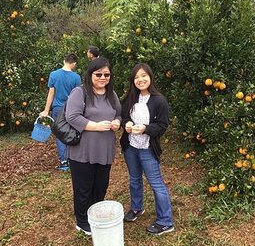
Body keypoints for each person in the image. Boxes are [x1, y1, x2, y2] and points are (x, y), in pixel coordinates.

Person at [65, 57, 121, 235]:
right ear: (90, 75)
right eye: (98, 74)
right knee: (83, 187)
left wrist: (117, 123)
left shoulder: (112, 95)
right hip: (83, 150)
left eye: (107, 74)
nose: (103, 77)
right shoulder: (80, 92)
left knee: (101, 185)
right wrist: (95, 126)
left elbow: (119, 114)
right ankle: (82, 221)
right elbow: (72, 116)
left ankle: (94, 213)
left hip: (104, 150)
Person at [120, 63, 174, 235]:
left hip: (147, 148)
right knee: (134, 179)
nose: (140, 79)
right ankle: (136, 208)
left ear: (150, 77)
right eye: (136, 77)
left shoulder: (159, 100)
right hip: (131, 146)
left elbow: (162, 125)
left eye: (143, 76)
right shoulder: (130, 98)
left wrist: (145, 128)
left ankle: (165, 221)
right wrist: (126, 123)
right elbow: (123, 116)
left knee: (156, 184)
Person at [40, 53, 81, 171]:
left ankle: (64, 162)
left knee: (60, 134)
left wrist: (46, 110)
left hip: (58, 109)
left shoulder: (54, 75)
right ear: (74, 63)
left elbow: (51, 94)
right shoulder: (76, 77)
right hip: (71, 108)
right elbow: (77, 95)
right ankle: (72, 159)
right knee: (72, 132)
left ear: (64, 61)